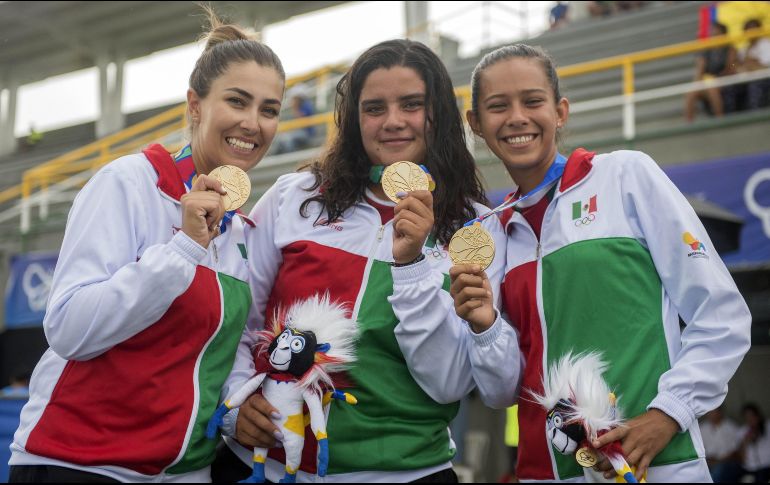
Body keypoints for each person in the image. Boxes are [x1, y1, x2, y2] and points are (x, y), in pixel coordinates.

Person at [212, 38, 520, 483]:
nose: (393, 122)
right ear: (354, 120)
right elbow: (236, 318)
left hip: (406, 472)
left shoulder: (476, 228)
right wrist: (233, 402)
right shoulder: (294, 197)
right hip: (266, 467)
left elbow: (449, 384)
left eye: (411, 105)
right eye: (374, 108)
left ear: (439, 116)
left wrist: (412, 263)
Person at [8, 10, 285, 483]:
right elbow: (69, 328)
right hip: (79, 464)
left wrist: (237, 413)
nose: (252, 122)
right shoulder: (128, 182)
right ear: (195, 104)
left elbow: (221, 355)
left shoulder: (241, 230)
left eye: (269, 109)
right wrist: (183, 250)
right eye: (237, 101)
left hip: (184, 474)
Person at [452, 43, 751, 482]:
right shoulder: (490, 234)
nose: (517, 117)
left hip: (656, 462)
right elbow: (500, 394)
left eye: (533, 101)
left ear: (561, 111)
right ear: (476, 124)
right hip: (542, 472)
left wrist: (668, 414)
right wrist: (485, 327)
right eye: (498, 107)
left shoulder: (625, 175)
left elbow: (722, 317)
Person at [684, 22, 738, 122]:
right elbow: (700, 69)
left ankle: (720, 119)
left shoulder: (730, 48)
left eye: (716, 31)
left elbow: (732, 66)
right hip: (708, 80)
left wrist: (724, 73)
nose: (713, 33)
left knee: (712, 89)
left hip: (724, 78)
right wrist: (698, 80)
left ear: (723, 33)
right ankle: (689, 122)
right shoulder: (707, 49)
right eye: (712, 31)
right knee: (691, 92)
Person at [700, 407, 743, 482]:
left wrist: (718, 461)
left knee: (717, 472)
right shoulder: (702, 427)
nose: (710, 415)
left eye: (713, 412)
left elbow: (735, 451)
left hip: (727, 462)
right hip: (708, 462)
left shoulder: (731, 426)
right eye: (709, 412)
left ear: (720, 413)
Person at [740, 19, 770, 110]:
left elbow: (766, 66)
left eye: (753, 29)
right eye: (748, 29)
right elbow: (736, 65)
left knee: (755, 86)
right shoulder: (744, 49)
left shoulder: (766, 44)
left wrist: (752, 63)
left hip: (764, 78)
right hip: (747, 78)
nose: (751, 32)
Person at [739, 403, 770, 483]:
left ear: (758, 416)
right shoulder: (743, 431)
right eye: (747, 417)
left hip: (766, 466)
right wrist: (745, 442)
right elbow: (742, 459)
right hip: (750, 469)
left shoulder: (767, 426)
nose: (750, 419)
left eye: (752, 416)